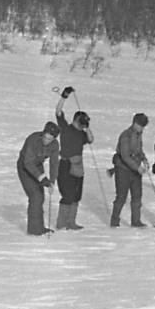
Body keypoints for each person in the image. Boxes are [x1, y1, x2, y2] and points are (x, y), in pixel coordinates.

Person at [54, 86, 95, 231]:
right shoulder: (66, 128)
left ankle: (71, 222)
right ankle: (61, 223)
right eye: (80, 123)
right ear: (76, 120)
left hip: (78, 166)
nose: (81, 125)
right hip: (66, 164)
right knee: (67, 194)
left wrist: (87, 127)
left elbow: (91, 139)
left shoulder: (81, 134)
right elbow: (58, 112)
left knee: (77, 195)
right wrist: (64, 97)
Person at [17, 121, 60, 236]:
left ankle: (39, 227)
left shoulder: (55, 145)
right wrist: (42, 178)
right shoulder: (33, 139)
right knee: (35, 195)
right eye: (45, 137)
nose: (46, 141)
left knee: (40, 197)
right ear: (43, 134)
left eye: (50, 139)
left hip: (37, 165)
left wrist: (52, 181)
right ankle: (33, 230)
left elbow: (54, 163)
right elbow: (28, 163)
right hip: (25, 167)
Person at [110, 113, 150, 227]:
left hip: (135, 171)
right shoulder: (126, 135)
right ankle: (114, 221)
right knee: (121, 197)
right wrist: (137, 167)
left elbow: (139, 150)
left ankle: (136, 221)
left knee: (137, 196)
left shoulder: (138, 134)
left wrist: (144, 159)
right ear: (135, 123)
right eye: (141, 126)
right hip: (123, 170)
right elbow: (125, 156)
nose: (142, 128)